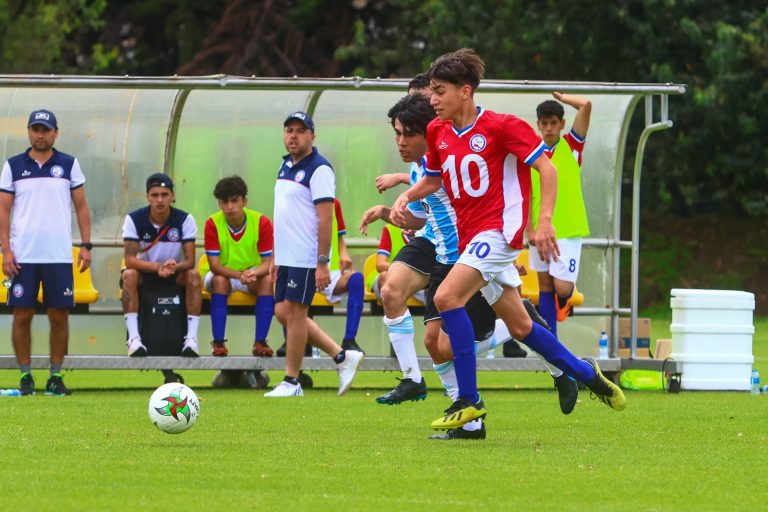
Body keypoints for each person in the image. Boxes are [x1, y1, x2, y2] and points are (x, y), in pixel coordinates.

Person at [391, 49, 625, 435]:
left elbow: (546, 169)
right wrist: (406, 195)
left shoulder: (502, 126)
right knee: (520, 327)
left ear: (465, 91)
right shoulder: (437, 131)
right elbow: (432, 180)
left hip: (500, 233)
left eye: (439, 91)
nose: (432, 100)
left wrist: (545, 221)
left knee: (447, 298)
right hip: (473, 240)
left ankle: (469, 400)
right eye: (431, 91)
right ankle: (586, 373)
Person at [266, 111, 363, 397]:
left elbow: (326, 219)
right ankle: (340, 355)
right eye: (288, 130)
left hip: (305, 258)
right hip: (286, 257)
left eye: (300, 130)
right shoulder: (285, 166)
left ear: (312, 136)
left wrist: (322, 263)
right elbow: (282, 216)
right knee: (282, 311)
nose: (293, 135)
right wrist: (274, 258)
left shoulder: (319, 168)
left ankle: (291, 381)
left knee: (296, 314)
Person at [0, 109, 92, 396]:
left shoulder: (68, 164)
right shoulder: (13, 165)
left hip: (58, 256)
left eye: (46, 130)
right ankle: (26, 375)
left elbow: (81, 207)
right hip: (23, 256)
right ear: (29, 132)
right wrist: (6, 250)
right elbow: (3, 210)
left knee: (58, 316)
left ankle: (56, 375)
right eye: (36, 129)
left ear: (56, 133)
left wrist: (87, 245)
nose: (41, 135)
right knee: (22, 315)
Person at [121, 173, 201, 357]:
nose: (160, 200)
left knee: (194, 276)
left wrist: (174, 266)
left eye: (164, 195)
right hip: (145, 272)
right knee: (129, 275)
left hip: (174, 272)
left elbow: (190, 261)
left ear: (172, 196)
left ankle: (191, 339)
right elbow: (130, 260)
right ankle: (134, 339)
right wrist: (157, 267)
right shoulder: (134, 219)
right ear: (147, 196)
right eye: (155, 195)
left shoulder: (185, 219)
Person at [202, 175, 275, 357]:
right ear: (219, 203)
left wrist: (252, 273)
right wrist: (238, 275)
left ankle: (260, 341)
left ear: (244, 201)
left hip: (251, 275)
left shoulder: (262, 222)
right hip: (224, 275)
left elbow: (268, 263)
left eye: (234, 201)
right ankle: (218, 342)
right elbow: (214, 265)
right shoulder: (212, 223)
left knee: (267, 280)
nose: (229, 207)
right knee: (219, 280)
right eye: (224, 202)